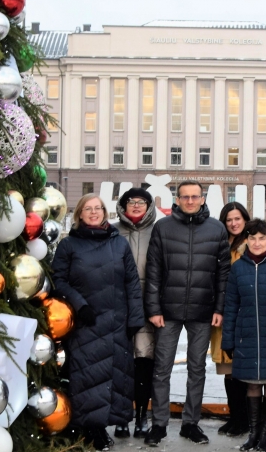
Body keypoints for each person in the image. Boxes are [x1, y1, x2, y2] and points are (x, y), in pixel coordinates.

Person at [52, 193, 145, 451]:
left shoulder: (119, 244)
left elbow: (131, 282)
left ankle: (102, 426)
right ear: (79, 214)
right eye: (88, 209)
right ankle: (91, 429)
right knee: (88, 377)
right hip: (86, 322)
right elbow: (58, 279)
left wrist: (135, 318)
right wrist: (79, 305)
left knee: (113, 378)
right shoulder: (69, 245)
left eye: (98, 208)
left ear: (105, 212)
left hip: (116, 322)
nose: (94, 212)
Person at [143, 181, 231, 446]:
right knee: (162, 369)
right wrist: (154, 308)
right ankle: (159, 424)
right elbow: (153, 270)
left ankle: (190, 423)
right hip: (167, 310)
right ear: (177, 200)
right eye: (185, 197)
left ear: (202, 199)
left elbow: (223, 273)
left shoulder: (216, 228)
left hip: (203, 309)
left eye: (195, 196)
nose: (190, 201)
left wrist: (219, 308)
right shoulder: (163, 227)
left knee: (197, 369)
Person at [222, 219, 266, 452]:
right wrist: (228, 339)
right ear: (246, 240)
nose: (256, 242)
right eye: (252, 238)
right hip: (247, 336)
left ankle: (265, 435)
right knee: (252, 385)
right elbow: (231, 305)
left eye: (262, 238)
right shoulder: (238, 267)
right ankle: (253, 434)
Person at [113, 188, 157, 439]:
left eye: (142, 202)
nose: (137, 205)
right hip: (118, 305)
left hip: (148, 305)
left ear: (149, 207)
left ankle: (141, 416)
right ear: (123, 205)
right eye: (132, 202)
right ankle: (121, 417)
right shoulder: (112, 231)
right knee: (121, 364)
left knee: (144, 362)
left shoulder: (158, 232)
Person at [213, 202, 252, 438]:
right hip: (222, 312)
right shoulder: (220, 243)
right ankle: (234, 416)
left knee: (241, 368)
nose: (234, 223)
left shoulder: (250, 243)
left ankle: (244, 419)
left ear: (245, 219)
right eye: (229, 219)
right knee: (228, 369)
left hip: (242, 314)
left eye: (237, 218)